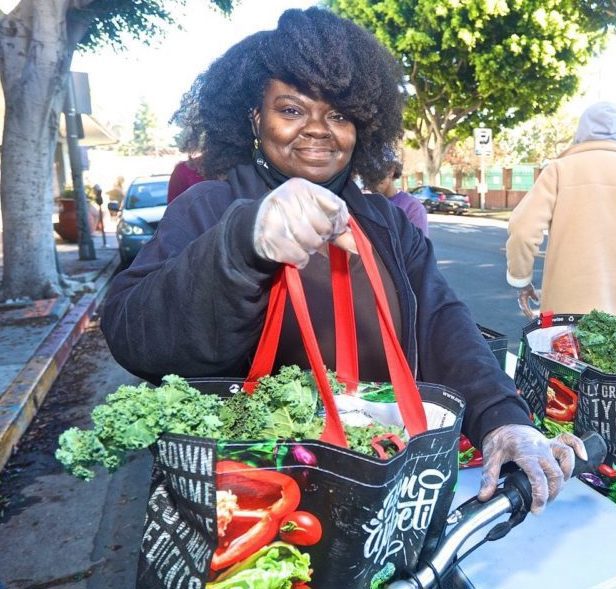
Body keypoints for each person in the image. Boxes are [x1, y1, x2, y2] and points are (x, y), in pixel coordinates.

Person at [101, 7, 584, 511]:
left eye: (338, 115)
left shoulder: (387, 223)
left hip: (383, 488)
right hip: (255, 503)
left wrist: (503, 419)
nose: (317, 130)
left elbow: (443, 325)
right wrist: (243, 243)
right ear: (254, 117)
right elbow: (134, 335)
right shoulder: (210, 209)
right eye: (290, 110)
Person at [506, 101, 616, 318]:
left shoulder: (558, 171)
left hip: (567, 311)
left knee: (558, 352)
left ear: (581, 130)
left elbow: (523, 230)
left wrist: (522, 279)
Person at [361, 160, 429, 236]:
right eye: (365, 175)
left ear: (390, 171)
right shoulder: (365, 203)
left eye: (375, 175)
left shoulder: (413, 207)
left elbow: (421, 245)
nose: (369, 182)